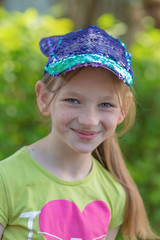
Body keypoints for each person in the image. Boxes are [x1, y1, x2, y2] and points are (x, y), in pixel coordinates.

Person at [0, 26, 158, 240]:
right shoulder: (6, 180)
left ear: (123, 108)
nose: (89, 120)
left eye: (105, 104)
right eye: (73, 101)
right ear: (44, 98)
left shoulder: (113, 195)